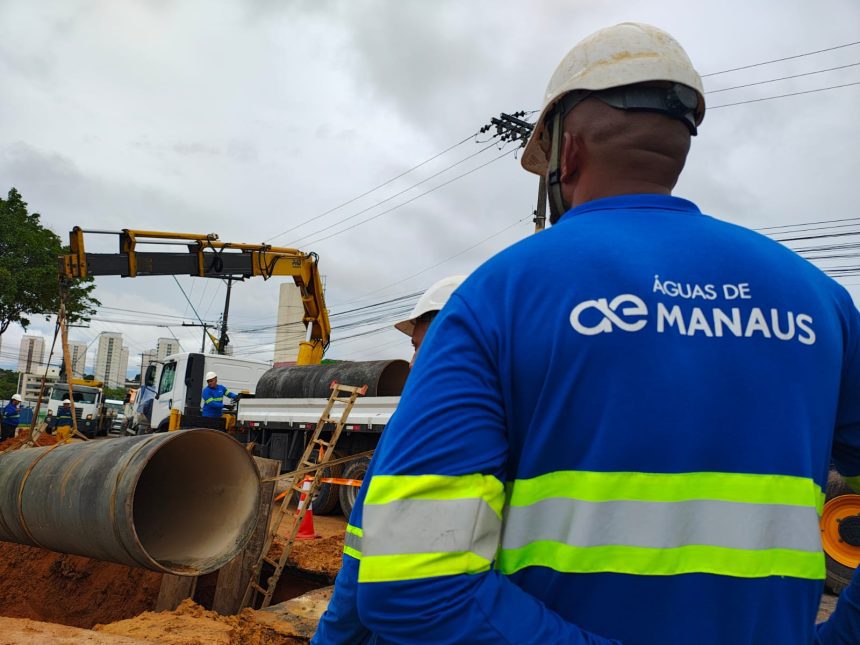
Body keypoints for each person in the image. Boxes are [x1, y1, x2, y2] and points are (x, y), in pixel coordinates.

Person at [352, 23, 860, 644]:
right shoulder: (821, 302)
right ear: (679, 146)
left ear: (565, 154)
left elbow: (412, 583)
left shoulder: (499, 295)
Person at [313, 275, 467, 645]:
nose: (412, 363)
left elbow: (364, 559)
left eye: (418, 347)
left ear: (457, 341)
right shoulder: (521, 423)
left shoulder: (421, 423)